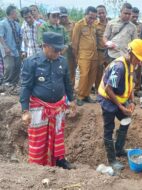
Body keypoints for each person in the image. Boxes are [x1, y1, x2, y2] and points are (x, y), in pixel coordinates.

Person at [20, 32, 76, 169]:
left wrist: (72, 100)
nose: (58, 52)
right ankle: (37, 165)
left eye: (60, 49)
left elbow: (67, 82)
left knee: (58, 135)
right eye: (55, 49)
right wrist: (25, 110)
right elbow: (26, 87)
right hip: (39, 108)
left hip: (58, 108)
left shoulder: (62, 61)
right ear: (45, 46)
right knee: (38, 139)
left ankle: (59, 160)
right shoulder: (31, 62)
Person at [98, 39, 142, 170]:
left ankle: (119, 149)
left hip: (119, 98)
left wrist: (131, 101)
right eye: (138, 58)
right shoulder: (119, 67)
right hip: (108, 99)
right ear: (130, 53)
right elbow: (109, 89)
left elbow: (130, 84)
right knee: (109, 127)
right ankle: (112, 159)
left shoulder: (131, 64)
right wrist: (120, 106)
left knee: (126, 119)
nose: (140, 62)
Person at [72, 6, 98, 106]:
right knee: (84, 75)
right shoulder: (79, 25)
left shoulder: (94, 25)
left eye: (94, 18)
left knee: (91, 76)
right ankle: (80, 96)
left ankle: (87, 95)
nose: (92, 20)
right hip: (83, 55)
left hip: (94, 55)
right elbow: (74, 43)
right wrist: (76, 57)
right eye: (90, 17)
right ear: (85, 15)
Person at [0, 5, 22, 87]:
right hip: (7, 49)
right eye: (15, 12)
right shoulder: (2, 23)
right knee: (9, 66)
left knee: (17, 66)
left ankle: (14, 84)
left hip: (16, 49)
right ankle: (5, 84)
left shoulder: (17, 24)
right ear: (12, 13)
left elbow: (20, 36)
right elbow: (0, 36)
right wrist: (5, 47)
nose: (17, 14)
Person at [59, 6, 76, 87]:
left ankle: (71, 88)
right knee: (61, 70)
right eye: (61, 16)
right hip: (61, 51)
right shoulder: (57, 25)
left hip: (71, 51)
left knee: (71, 70)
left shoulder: (73, 24)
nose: (63, 18)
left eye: (65, 16)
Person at [95, 5, 108, 92]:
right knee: (98, 72)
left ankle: (108, 89)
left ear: (106, 13)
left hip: (109, 52)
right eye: (99, 13)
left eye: (103, 12)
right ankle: (97, 89)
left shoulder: (111, 24)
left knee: (109, 71)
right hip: (99, 52)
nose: (101, 15)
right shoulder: (95, 25)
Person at [131, 7, 142, 96]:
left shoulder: (140, 26)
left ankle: (137, 89)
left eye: (136, 17)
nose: (135, 18)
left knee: (138, 71)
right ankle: (129, 88)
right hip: (130, 52)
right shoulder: (127, 25)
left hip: (138, 52)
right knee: (129, 70)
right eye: (133, 16)